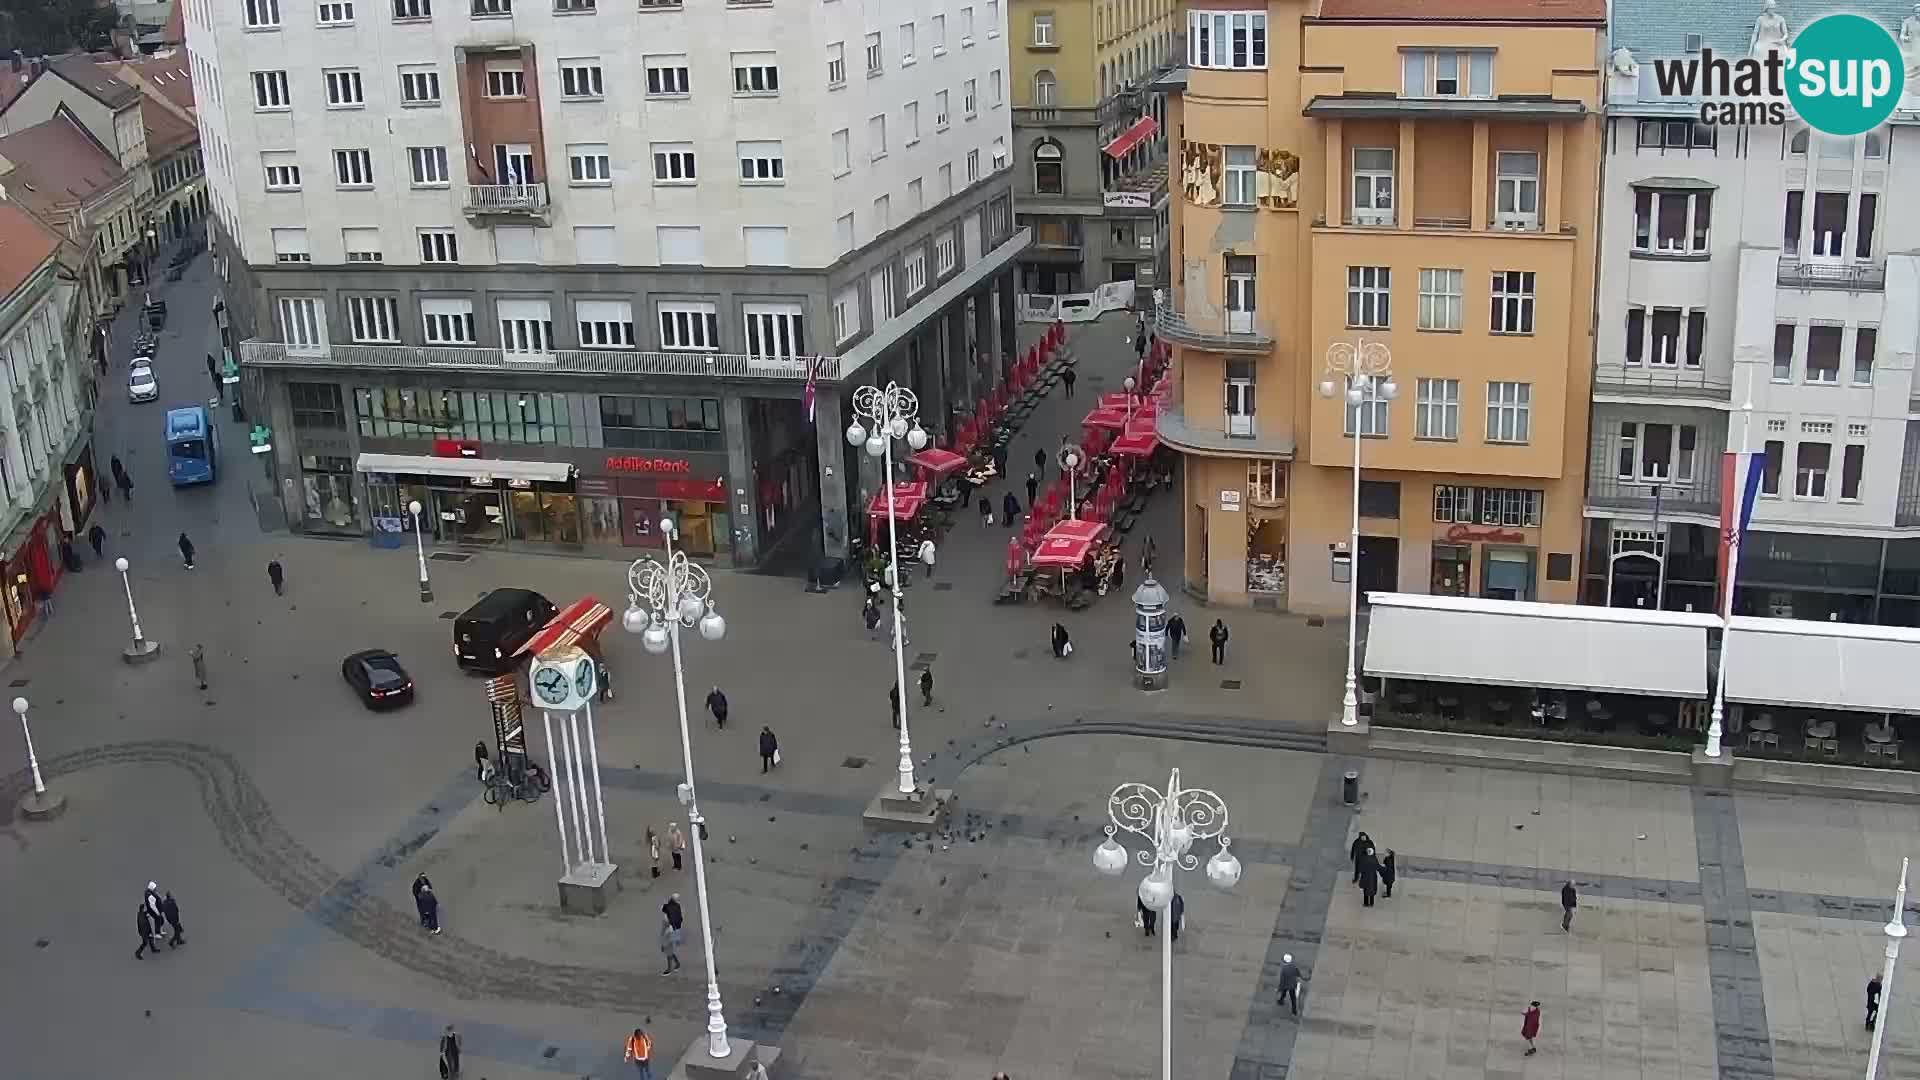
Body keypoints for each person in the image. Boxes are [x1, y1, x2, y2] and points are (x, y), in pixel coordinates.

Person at [659, 909, 683, 975]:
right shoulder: (667, 920)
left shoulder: (671, 924)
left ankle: (669, 968)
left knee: (669, 954)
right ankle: (677, 963)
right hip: (668, 938)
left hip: (670, 939)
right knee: (670, 953)